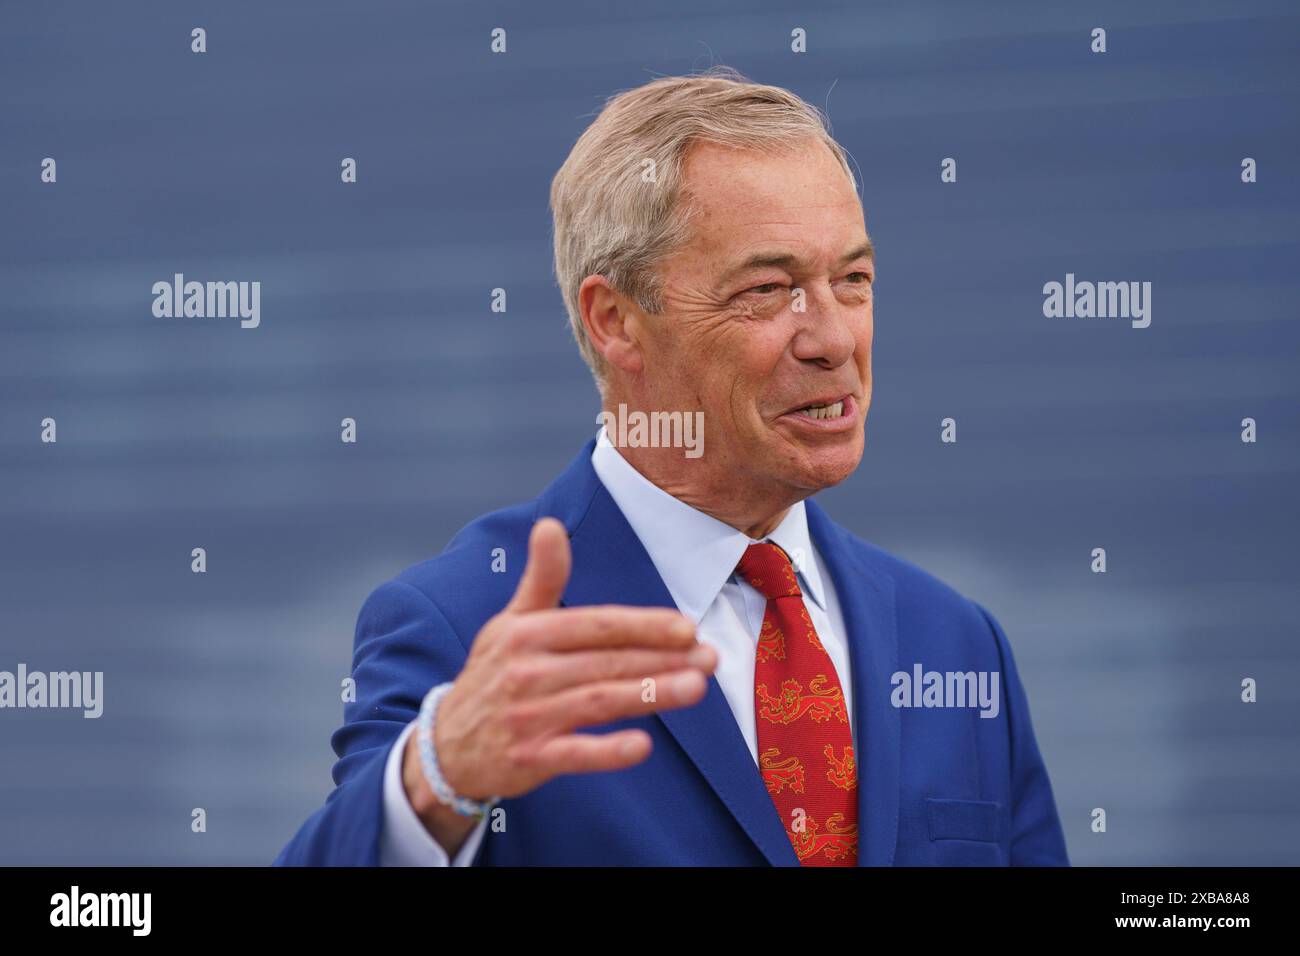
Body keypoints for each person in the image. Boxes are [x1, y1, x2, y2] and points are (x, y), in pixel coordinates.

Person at [275, 67, 1069, 867]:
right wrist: (438, 781)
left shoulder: (956, 643)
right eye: (769, 289)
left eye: (852, 280)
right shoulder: (471, 626)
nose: (833, 339)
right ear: (616, 321)